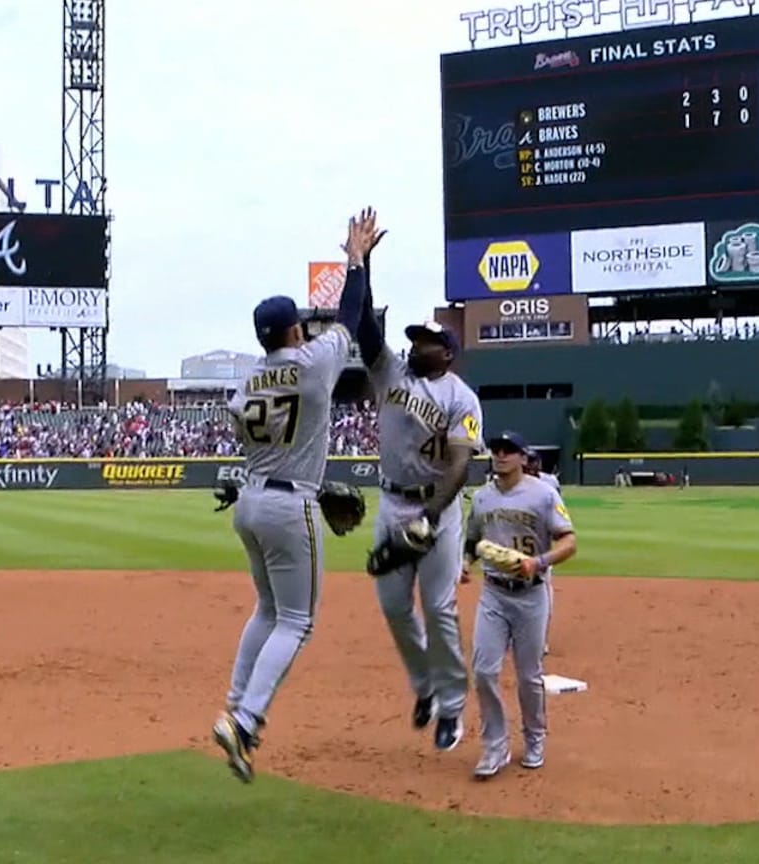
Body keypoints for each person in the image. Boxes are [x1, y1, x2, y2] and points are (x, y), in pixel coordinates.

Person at [209, 208, 381, 784]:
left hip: (251, 500)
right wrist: (356, 259)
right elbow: (350, 316)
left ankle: (236, 703)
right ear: (292, 331)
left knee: (266, 608)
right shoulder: (311, 364)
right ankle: (247, 718)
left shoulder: (243, 383)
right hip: (289, 503)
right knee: (298, 621)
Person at [357, 262, 482, 752]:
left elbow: (459, 464)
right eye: (411, 339)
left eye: (425, 341)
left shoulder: (461, 399)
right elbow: (365, 327)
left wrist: (432, 515)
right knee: (392, 606)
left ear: (447, 354)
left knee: (439, 608)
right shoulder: (390, 374)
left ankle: (451, 707)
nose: (413, 345)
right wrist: (362, 266)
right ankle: (425, 686)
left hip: (440, 511)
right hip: (392, 502)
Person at [464, 430, 577, 778]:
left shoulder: (544, 494)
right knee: (484, 670)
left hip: (531, 593)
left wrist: (539, 562)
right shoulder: (482, 498)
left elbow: (569, 541)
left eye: (508, 450)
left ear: (523, 457)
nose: (500, 455)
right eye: (496, 450)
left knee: (529, 676)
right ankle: (494, 745)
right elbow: (472, 541)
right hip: (494, 593)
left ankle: (535, 738)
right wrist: (465, 564)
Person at [523, 447, 559, 656]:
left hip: (540, 545)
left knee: (543, 590)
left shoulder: (550, 483)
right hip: (514, 542)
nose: (531, 466)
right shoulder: (513, 481)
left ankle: (541, 640)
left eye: (534, 462)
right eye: (529, 462)